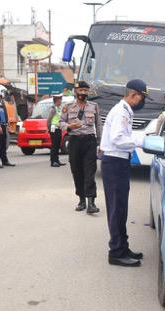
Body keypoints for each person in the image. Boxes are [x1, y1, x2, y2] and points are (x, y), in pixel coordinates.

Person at [100, 79, 149, 267]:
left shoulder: (125, 110)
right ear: (133, 94)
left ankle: (122, 247)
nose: (142, 101)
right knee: (116, 209)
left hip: (119, 162)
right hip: (114, 162)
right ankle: (116, 252)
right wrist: (140, 141)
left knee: (121, 209)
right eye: (142, 97)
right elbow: (118, 138)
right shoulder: (121, 111)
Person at [59, 81, 102, 214]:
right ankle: (82, 200)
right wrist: (69, 127)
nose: (83, 93)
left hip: (89, 141)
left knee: (90, 172)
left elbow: (98, 124)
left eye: (85, 90)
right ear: (75, 92)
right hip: (74, 142)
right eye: (81, 90)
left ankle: (91, 203)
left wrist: (100, 143)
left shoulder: (94, 106)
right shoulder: (67, 107)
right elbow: (60, 121)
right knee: (77, 171)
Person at [46, 94, 66, 167]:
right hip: (53, 128)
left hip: (58, 128)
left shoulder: (58, 108)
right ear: (57, 100)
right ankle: (53, 161)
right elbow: (49, 120)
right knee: (54, 145)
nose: (61, 101)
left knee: (57, 145)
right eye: (60, 99)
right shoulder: (53, 109)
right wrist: (48, 129)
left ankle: (57, 160)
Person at [0, 95, 15, 168]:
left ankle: (5, 160)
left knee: (3, 144)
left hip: (3, 125)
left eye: (0, 96)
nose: (0, 98)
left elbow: (5, 114)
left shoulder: (2, 103)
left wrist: (7, 124)